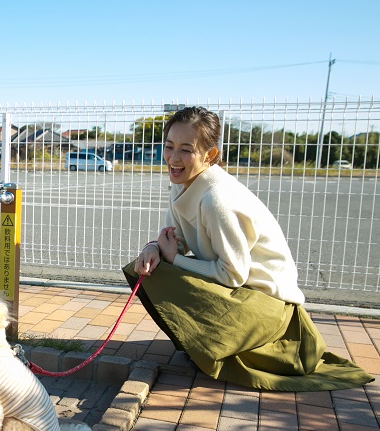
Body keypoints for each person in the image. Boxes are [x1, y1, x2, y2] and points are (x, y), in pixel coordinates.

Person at [124, 106, 373, 391]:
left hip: (270, 307)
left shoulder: (216, 199)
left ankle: (229, 347)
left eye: (186, 150)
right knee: (148, 268)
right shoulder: (181, 184)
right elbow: (173, 240)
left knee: (167, 272)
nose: (174, 157)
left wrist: (174, 260)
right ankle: (206, 345)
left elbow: (232, 275)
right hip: (242, 292)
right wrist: (154, 248)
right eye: (169, 147)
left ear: (210, 155)